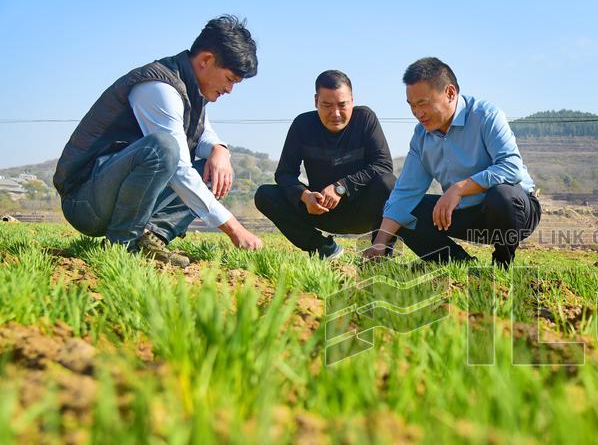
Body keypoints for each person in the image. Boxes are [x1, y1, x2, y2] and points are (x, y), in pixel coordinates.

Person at [53, 15, 263, 267]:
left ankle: (150, 238)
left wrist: (220, 150)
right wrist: (233, 228)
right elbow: (178, 167)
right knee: (164, 148)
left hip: (112, 195)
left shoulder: (191, 90)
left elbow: (203, 131)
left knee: (213, 171)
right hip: (85, 201)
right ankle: (121, 244)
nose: (230, 90)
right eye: (230, 80)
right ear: (206, 60)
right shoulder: (158, 87)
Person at [363, 57, 541, 268]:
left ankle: (502, 263)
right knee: (405, 209)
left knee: (502, 196)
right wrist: (380, 243)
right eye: (412, 105)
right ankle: (461, 265)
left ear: (450, 93)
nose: (417, 113)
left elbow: (511, 168)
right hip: (463, 213)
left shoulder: (486, 115)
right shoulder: (421, 136)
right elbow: (405, 193)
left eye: (423, 103)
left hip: (512, 212)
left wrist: (459, 189)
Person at [254, 70, 395, 259]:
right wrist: (305, 196)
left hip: (363, 210)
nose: (335, 113)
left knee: (388, 183)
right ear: (315, 101)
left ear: (352, 100)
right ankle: (322, 247)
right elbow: (284, 173)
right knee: (265, 194)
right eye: (326, 105)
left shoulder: (365, 119)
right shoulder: (302, 125)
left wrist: (341, 187)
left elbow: (383, 165)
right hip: (321, 209)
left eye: (342, 105)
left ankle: (381, 254)